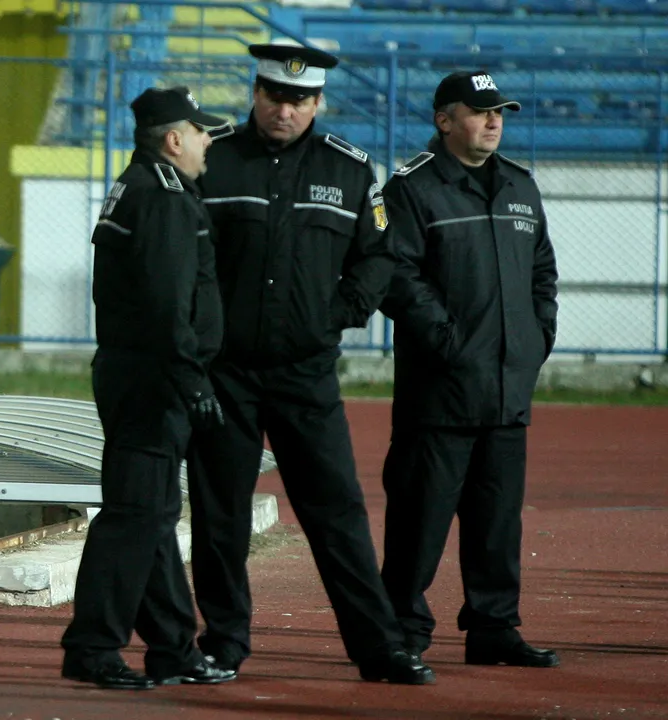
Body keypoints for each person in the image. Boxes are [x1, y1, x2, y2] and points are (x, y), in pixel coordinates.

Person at [189, 42, 434, 684]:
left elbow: (380, 255)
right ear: (255, 93)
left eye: (299, 99)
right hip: (226, 375)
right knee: (221, 518)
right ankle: (223, 643)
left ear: (319, 102)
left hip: (305, 373)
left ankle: (379, 647)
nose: (285, 109)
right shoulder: (213, 159)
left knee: (337, 513)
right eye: (274, 94)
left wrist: (340, 313)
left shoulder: (350, 170)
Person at [378, 70, 561, 668]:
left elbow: (543, 274)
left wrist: (537, 338)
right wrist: (449, 342)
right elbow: (395, 277)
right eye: (480, 111)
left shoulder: (520, 186)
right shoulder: (410, 188)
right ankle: (401, 633)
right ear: (443, 120)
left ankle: (493, 627)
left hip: (508, 390)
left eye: (499, 111)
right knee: (418, 522)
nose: (493, 121)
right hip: (441, 393)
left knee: (497, 524)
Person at [60, 86, 237, 691]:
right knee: (134, 516)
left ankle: (171, 646)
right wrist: (192, 379)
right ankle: (91, 645)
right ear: (174, 139)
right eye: (202, 131)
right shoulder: (163, 199)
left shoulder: (141, 186)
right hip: (153, 379)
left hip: (143, 373)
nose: (210, 141)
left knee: (155, 516)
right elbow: (167, 304)